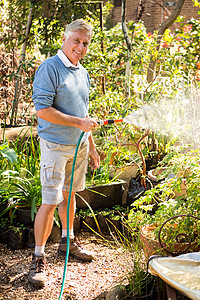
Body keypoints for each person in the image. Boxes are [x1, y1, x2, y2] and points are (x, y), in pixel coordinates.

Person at [28, 19, 100, 288]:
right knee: (50, 200)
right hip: (56, 145)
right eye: (77, 41)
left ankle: (67, 242)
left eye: (85, 43)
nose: (81, 47)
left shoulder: (83, 73)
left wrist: (90, 144)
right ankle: (38, 258)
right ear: (64, 39)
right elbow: (43, 111)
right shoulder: (50, 68)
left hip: (80, 144)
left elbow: (84, 114)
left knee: (70, 195)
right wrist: (79, 124)